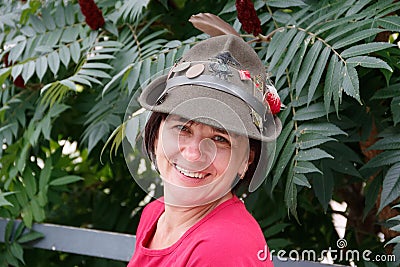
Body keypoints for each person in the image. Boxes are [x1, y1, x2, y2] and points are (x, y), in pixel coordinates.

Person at [126, 34, 281, 266]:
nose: (193, 154)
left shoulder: (223, 249)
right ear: (156, 135)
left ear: (245, 160)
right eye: (183, 129)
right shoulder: (155, 214)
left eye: (220, 139)